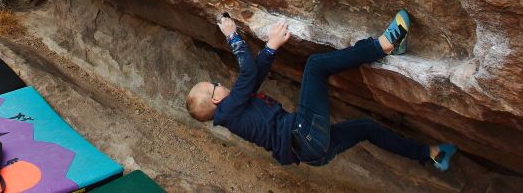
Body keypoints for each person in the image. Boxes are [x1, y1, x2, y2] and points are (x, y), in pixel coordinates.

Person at [186, 10, 458, 171]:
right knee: (315, 66)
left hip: (313, 152)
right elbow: (246, 73)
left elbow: (254, 76)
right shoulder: (230, 110)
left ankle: (433, 155)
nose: (220, 83)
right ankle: (385, 45)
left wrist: (270, 50)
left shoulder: (234, 111)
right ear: (216, 98)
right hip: (304, 136)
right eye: (215, 85)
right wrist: (234, 35)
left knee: (367, 128)